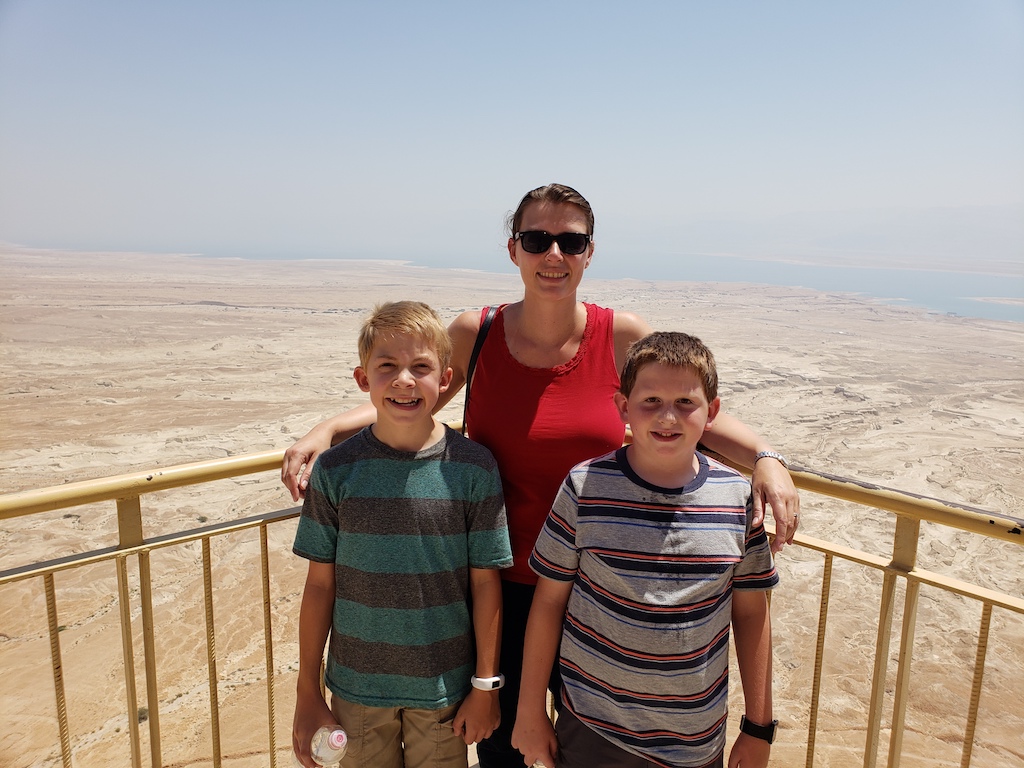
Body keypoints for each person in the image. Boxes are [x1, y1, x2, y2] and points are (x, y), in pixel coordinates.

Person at [282, 184, 799, 768]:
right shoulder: (476, 334)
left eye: (570, 240)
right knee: (506, 750)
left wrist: (766, 456)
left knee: (582, 748)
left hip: (596, 594)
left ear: (589, 252)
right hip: (497, 588)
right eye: (537, 239)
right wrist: (329, 430)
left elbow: (681, 409)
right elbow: (414, 394)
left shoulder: (621, 336)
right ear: (513, 250)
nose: (553, 253)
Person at [511, 331, 778, 768]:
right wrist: (529, 712)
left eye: (685, 403)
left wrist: (759, 728)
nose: (667, 417)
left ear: (711, 412)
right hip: (591, 729)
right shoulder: (586, 486)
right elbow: (548, 603)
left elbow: (751, 614)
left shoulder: (737, 499)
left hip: (694, 740)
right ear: (623, 408)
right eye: (650, 400)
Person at [291, 301, 513, 768]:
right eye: (387, 366)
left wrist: (484, 685)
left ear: (445, 380)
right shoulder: (337, 469)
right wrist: (306, 693)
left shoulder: (472, 468)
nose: (404, 380)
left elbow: (485, 583)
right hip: (356, 690)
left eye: (420, 367)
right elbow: (319, 585)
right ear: (362, 378)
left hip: (442, 690)